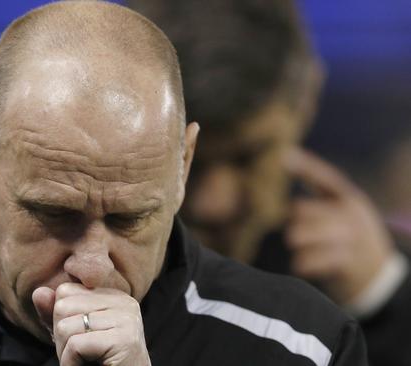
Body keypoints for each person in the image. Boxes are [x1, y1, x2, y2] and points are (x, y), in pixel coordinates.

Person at [0, 2, 368, 365]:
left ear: (182, 166)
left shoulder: (301, 348)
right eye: (54, 215)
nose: (92, 267)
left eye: (130, 219)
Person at [127, 0, 411, 365]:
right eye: (189, 158)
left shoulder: (373, 279)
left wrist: (384, 299)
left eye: (249, 157)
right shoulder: (79, 265)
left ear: (306, 99)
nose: (215, 203)